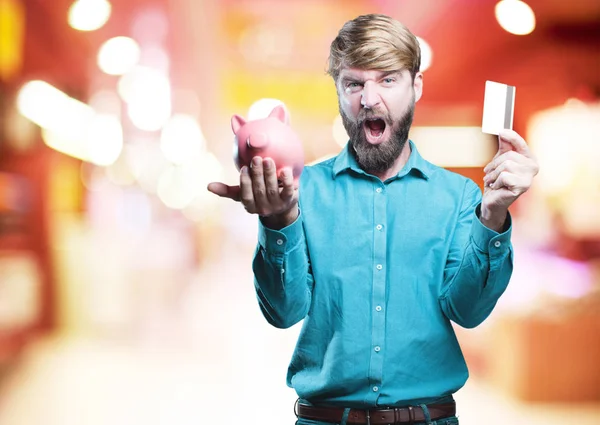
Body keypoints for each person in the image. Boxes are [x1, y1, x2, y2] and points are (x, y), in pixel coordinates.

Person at [208, 13, 538, 425]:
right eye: (354, 83)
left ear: (415, 86)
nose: (369, 99)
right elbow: (283, 312)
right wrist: (278, 224)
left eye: (387, 79)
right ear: (339, 91)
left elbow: (468, 311)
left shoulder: (459, 198)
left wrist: (493, 215)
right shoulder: (302, 192)